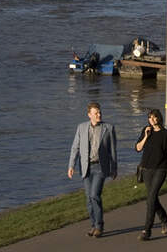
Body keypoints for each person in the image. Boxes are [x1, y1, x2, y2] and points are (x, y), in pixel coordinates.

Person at [68, 101, 117, 238]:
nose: (99, 115)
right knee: (89, 199)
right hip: (86, 167)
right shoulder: (81, 127)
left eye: (100, 112)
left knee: (95, 195)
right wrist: (71, 165)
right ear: (89, 115)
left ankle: (99, 226)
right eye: (96, 113)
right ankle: (93, 225)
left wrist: (114, 168)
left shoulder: (109, 128)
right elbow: (75, 147)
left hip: (101, 167)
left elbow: (113, 151)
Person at [134, 108, 167, 241]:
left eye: (154, 117)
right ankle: (165, 220)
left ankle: (146, 230)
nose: (152, 120)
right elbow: (138, 148)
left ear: (159, 118)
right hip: (147, 169)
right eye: (150, 118)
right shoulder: (146, 131)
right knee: (152, 198)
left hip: (160, 169)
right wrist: (145, 136)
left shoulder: (166, 134)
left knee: (151, 199)